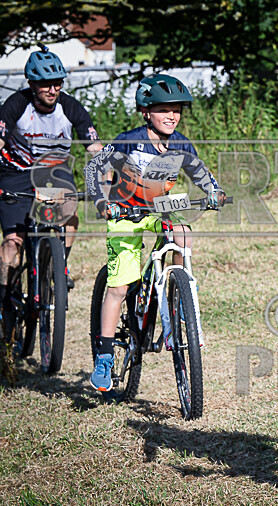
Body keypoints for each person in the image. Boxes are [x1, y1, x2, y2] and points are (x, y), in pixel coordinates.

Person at [84, 73, 226, 392]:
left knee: (183, 233)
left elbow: (202, 174)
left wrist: (215, 191)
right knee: (119, 288)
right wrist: (101, 201)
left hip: (160, 207)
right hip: (126, 213)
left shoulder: (180, 143)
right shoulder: (129, 141)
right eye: (164, 109)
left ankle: (178, 293)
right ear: (146, 111)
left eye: (176, 109)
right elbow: (93, 169)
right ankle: (105, 356)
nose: (172, 115)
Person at [0, 45, 103, 352]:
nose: (54, 89)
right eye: (46, 84)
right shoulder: (16, 104)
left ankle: (57, 268)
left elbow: (93, 146)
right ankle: (6, 300)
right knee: (13, 244)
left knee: (70, 210)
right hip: (16, 177)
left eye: (58, 82)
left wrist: (108, 176)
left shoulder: (70, 106)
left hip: (54, 174)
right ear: (31, 84)